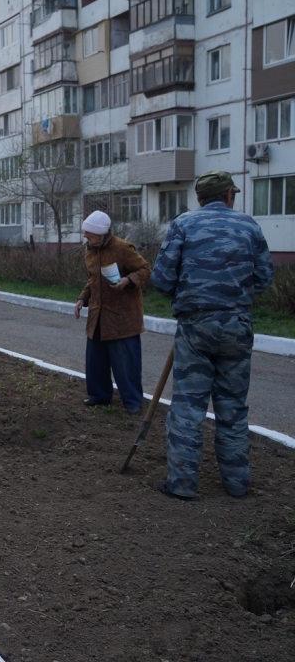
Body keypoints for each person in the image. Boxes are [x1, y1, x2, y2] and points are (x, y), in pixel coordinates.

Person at [150, 171, 273, 501]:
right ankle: (236, 484)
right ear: (228, 196)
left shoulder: (184, 225)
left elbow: (160, 279)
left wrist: (191, 295)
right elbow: (264, 279)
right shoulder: (249, 226)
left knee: (188, 408)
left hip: (196, 327)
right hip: (237, 325)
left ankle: (183, 485)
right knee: (233, 408)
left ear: (200, 199)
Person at [73, 210, 151, 416]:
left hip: (122, 317)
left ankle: (133, 401)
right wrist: (83, 298)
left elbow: (145, 270)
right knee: (96, 359)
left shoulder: (123, 248)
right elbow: (92, 279)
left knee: (126, 362)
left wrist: (127, 281)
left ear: (101, 234)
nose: (85, 238)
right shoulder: (90, 250)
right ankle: (99, 395)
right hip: (98, 314)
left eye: (89, 234)